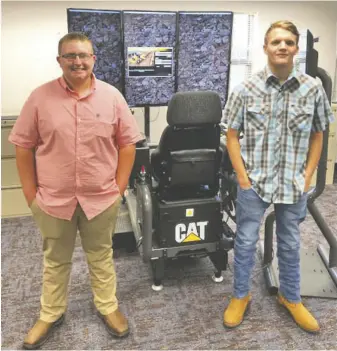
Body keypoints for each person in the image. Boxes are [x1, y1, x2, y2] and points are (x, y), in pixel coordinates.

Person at [9, 32, 143, 349]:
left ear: (93, 59)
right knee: (55, 260)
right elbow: (23, 147)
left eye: (83, 55)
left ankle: (107, 307)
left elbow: (128, 144)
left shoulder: (112, 97)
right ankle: (51, 313)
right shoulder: (39, 98)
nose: (78, 61)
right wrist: (31, 195)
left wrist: (119, 189)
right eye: (70, 56)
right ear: (60, 61)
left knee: (101, 256)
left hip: (101, 199)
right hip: (54, 201)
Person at [222, 20, 334, 333]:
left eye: (288, 42)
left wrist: (309, 174)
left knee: (290, 241)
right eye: (275, 42)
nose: (282, 46)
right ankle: (240, 296)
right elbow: (231, 135)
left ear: (296, 48)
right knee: (244, 241)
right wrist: (242, 178)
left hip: (293, 182)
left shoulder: (313, 89)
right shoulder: (246, 89)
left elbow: (318, 134)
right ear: (266, 48)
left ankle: (291, 297)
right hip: (254, 183)